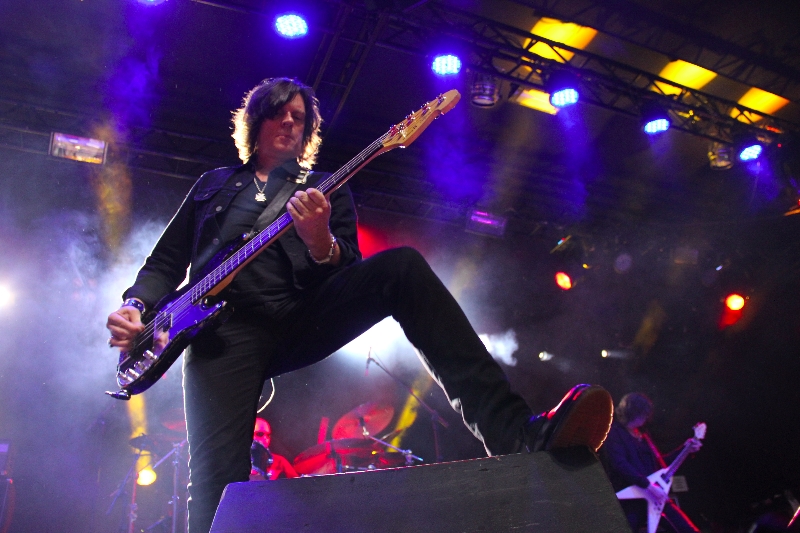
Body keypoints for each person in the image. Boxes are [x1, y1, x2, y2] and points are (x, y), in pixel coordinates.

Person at [106, 77, 614, 533]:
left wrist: (319, 239)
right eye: (279, 112)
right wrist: (135, 305)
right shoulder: (213, 185)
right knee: (215, 492)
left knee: (402, 269)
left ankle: (516, 434)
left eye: (299, 117)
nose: (289, 121)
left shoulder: (323, 190)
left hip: (293, 316)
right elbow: (164, 263)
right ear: (256, 121)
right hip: (217, 336)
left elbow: (344, 266)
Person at [599, 393, 703, 533]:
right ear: (631, 412)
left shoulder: (644, 436)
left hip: (654, 497)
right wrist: (647, 486)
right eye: (642, 414)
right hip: (631, 499)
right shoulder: (614, 434)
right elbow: (620, 464)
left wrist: (685, 449)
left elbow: (661, 464)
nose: (645, 418)